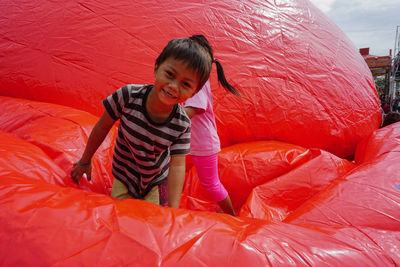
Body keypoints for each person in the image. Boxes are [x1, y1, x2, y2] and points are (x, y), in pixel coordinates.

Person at [71, 35, 233, 208]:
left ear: (193, 94)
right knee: (120, 217)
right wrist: (85, 161)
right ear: (157, 67)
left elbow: (177, 165)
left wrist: (173, 208)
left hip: (156, 182)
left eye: (185, 84)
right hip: (124, 175)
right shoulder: (128, 96)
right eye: (170, 74)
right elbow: (103, 126)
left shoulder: (182, 124)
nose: (173, 86)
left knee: (151, 223)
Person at [184, 77, 240, 216]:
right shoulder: (197, 83)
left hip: (204, 145)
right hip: (199, 143)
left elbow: (188, 113)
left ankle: (231, 215)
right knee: (209, 182)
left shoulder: (199, 86)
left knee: (211, 183)